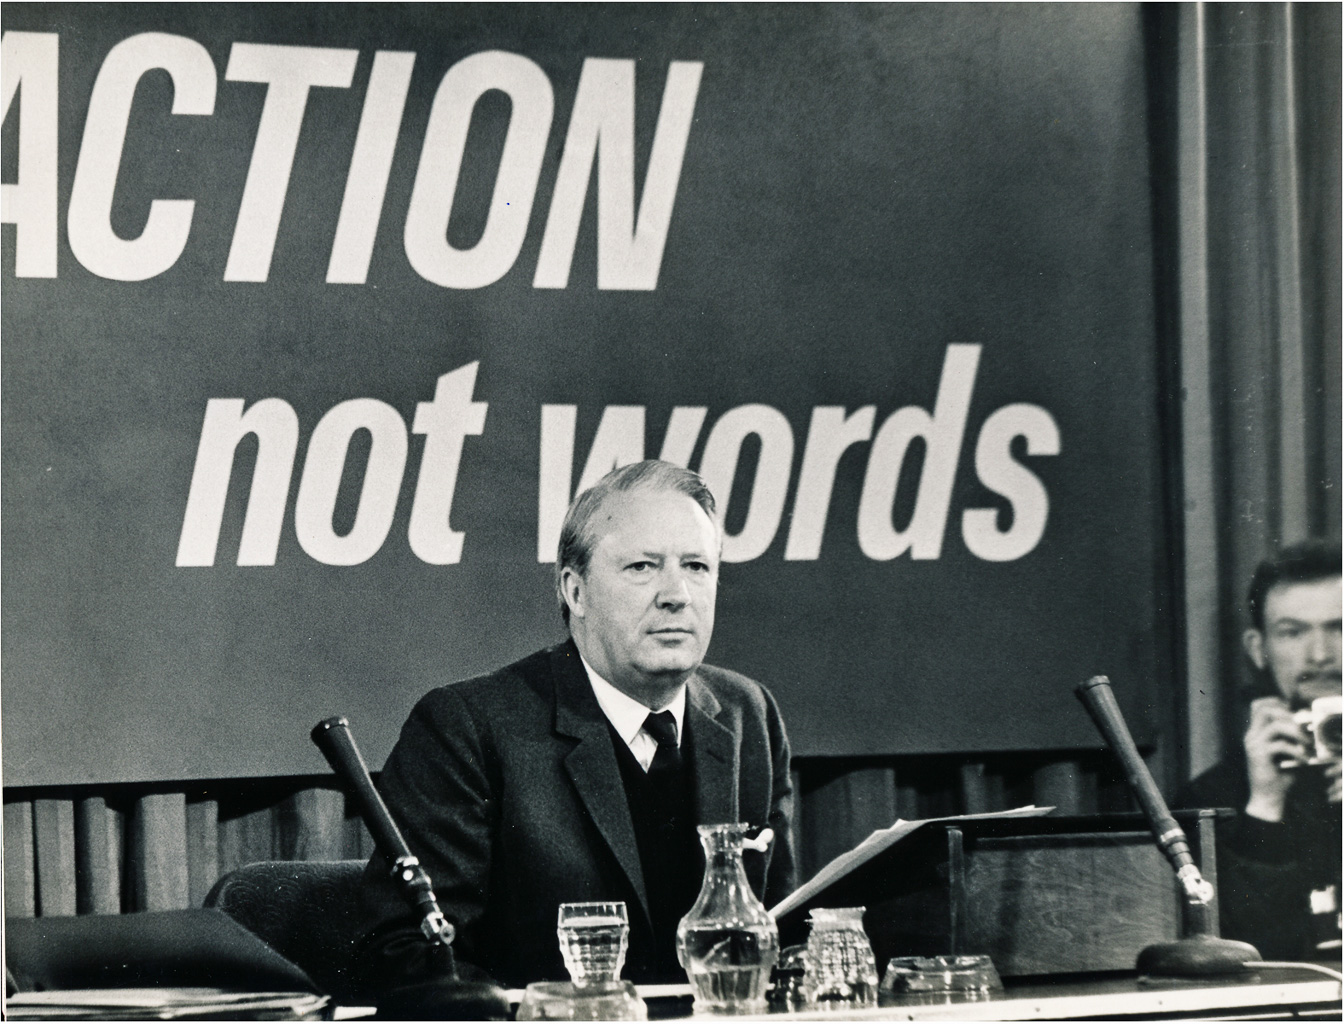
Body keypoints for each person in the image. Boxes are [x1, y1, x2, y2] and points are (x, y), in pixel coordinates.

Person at [353, 460, 796, 990]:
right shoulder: (468, 728)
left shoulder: (749, 713)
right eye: (643, 567)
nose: (677, 593)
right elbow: (408, 954)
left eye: (697, 566)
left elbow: (784, 928)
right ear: (575, 592)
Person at [1176, 538, 1341, 959]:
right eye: (1293, 632)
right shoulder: (1212, 801)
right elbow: (1237, 962)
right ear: (1258, 649)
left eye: (1340, 628)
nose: (1320, 654)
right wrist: (1264, 806)